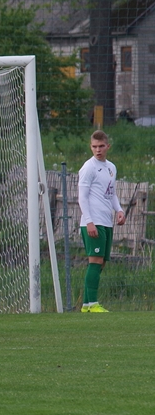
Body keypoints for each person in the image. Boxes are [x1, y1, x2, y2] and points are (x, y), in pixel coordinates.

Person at [78, 130, 126, 312]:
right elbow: (82, 197)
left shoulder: (111, 167)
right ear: (91, 147)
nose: (97, 150)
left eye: (101, 146)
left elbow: (111, 193)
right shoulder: (88, 167)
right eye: (94, 146)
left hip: (106, 221)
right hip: (93, 221)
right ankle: (92, 304)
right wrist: (89, 221)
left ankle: (86, 305)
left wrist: (119, 210)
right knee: (95, 261)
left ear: (108, 146)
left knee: (102, 262)